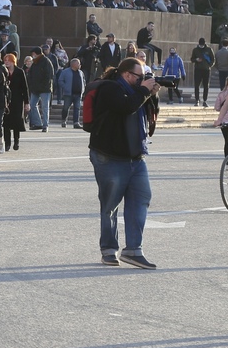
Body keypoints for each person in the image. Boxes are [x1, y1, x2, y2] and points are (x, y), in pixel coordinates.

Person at [88, 57, 158, 269]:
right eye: (140, 77)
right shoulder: (110, 88)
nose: (142, 80)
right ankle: (109, 250)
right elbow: (126, 106)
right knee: (110, 205)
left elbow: (148, 115)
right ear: (127, 75)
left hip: (135, 158)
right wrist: (144, 91)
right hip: (109, 156)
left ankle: (133, 250)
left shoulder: (137, 92)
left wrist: (151, 95)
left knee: (141, 198)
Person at [4, 54, 31, 152]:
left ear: (13, 61)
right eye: (5, 60)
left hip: (18, 100)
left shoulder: (20, 72)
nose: (7, 62)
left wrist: (27, 102)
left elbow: (25, 87)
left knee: (16, 122)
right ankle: (7, 143)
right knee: (6, 123)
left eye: (9, 60)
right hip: (6, 100)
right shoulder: (3, 72)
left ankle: (16, 141)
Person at [59, 58, 85, 128]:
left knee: (77, 108)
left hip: (78, 94)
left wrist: (83, 89)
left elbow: (83, 81)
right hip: (68, 94)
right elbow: (60, 81)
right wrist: (66, 87)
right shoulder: (65, 72)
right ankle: (64, 120)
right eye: (78, 63)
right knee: (66, 107)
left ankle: (76, 123)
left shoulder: (81, 72)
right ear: (73, 64)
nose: (80, 65)